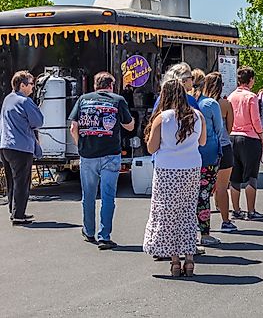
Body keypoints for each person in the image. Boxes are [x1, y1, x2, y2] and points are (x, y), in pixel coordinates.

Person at [142, 79, 207, 278]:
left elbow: (151, 148)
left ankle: (175, 261)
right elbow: (202, 142)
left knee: (168, 214)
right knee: (187, 212)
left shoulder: (163, 118)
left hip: (168, 170)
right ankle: (189, 260)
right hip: (191, 168)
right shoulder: (197, 115)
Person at [68, 72, 134, 248]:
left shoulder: (83, 99)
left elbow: (73, 126)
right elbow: (129, 125)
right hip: (110, 154)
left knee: (88, 195)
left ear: (95, 85)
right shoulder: (118, 100)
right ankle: (104, 236)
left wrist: (79, 145)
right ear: (111, 86)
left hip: (88, 155)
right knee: (108, 196)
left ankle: (89, 231)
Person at [0, 71, 43, 226]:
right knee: (22, 182)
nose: (33, 87)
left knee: (12, 181)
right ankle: (19, 215)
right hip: (21, 147)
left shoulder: (7, 100)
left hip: (5, 146)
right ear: (22, 85)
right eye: (31, 84)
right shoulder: (25, 101)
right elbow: (38, 121)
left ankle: (14, 211)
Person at [228, 67, 263, 221]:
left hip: (233, 136)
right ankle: (251, 210)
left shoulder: (231, 96)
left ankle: (236, 209)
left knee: (235, 176)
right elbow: (256, 119)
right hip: (249, 137)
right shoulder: (251, 97)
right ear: (250, 80)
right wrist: (262, 137)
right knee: (251, 175)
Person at [204, 72, 237, 233]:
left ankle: (201, 222)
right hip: (223, 146)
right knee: (222, 187)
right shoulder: (225, 104)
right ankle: (225, 220)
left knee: (202, 188)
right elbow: (230, 129)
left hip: (204, 148)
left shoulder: (201, 103)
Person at [196, 73, 225, 246]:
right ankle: (205, 233)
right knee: (204, 194)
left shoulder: (192, 103)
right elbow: (219, 129)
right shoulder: (211, 104)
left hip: (191, 155)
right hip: (209, 153)